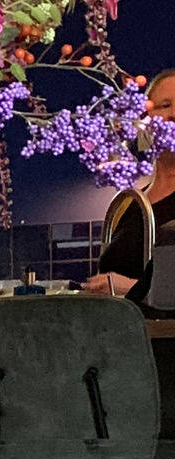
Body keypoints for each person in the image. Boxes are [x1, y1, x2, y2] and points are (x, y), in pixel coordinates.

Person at [82, 67, 175, 305]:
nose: (174, 114)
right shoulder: (130, 203)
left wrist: (134, 288)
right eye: (165, 105)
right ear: (144, 121)